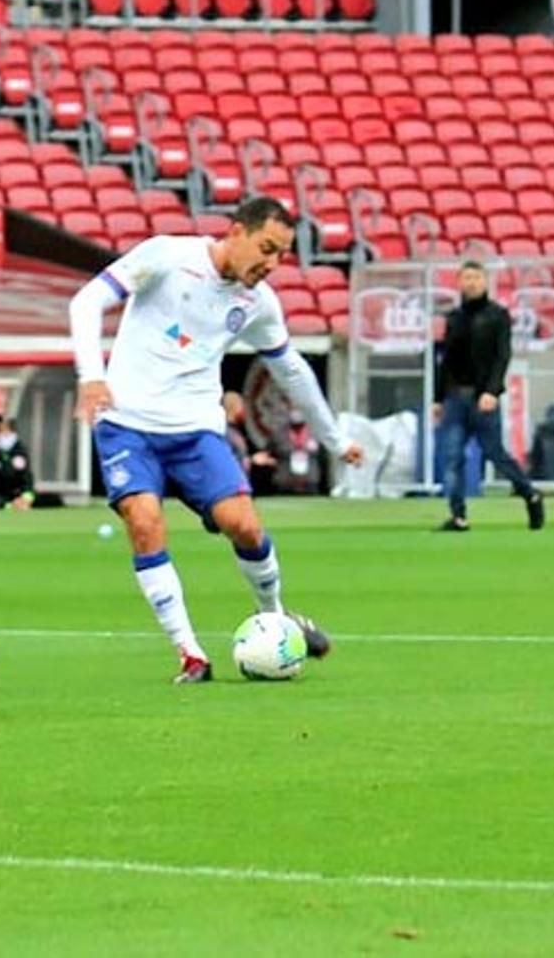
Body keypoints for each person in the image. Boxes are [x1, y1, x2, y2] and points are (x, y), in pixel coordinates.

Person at [67, 197, 362, 683]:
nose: (270, 264)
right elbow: (87, 301)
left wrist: (333, 439)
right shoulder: (166, 256)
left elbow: (292, 370)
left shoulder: (258, 304)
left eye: (282, 256)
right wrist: (90, 377)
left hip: (195, 430)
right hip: (127, 421)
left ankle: (277, 617)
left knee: (243, 525)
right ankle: (190, 653)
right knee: (144, 520)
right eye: (266, 248)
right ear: (236, 232)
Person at [433, 260, 544, 532]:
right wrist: (438, 397)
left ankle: (529, 493)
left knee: (495, 453)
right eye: (466, 277)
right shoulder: (454, 317)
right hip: (456, 397)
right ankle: (458, 515)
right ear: (459, 282)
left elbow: (501, 356)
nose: (471, 283)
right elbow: (446, 360)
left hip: (482, 398)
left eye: (476, 277)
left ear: (485, 282)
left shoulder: (497, 315)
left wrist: (492, 390)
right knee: (452, 457)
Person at [221, 391, 277, 493]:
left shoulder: (234, 431)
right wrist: (253, 460)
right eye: (241, 405)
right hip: (230, 488)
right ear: (234, 407)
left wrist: (253, 460)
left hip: (240, 486)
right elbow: (225, 462)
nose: (244, 410)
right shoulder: (224, 432)